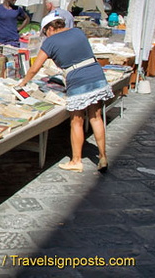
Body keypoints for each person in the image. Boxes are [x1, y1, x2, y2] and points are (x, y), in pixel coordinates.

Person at [18, 14, 114, 173]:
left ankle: (76, 160)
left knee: (76, 121)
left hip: (78, 79)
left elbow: (35, 68)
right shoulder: (77, 32)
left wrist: (22, 83)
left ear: (49, 28)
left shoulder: (50, 41)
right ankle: (102, 156)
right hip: (96, 74)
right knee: (96, 117)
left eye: (45, 32)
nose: (45, 36)